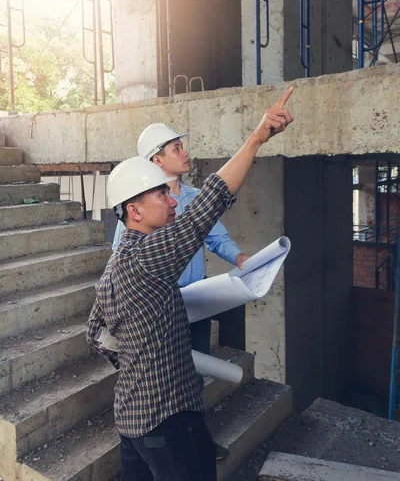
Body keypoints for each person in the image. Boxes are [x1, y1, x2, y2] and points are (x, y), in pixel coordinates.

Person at [86, 86, 294, 481]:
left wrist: (142, 359)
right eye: (162, 194)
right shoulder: (149, 257)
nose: (173, 200)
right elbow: (209, 206)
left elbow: (96, 333)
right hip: (167, 418)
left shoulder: (119, 265)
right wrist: (257, 137)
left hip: (133, 418)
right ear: (134, 210)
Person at [112, 122, 249, 416]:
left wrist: (239, 258)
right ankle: (172, 430)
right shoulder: (137, 207)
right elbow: (120, 258)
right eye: (176, 149)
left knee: (194, 370)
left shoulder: (195, 197)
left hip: (194, 298)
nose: (185, 154)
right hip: (158, 304)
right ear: (157, 160)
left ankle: (192, 430)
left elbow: (217, 237)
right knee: (164, 371)